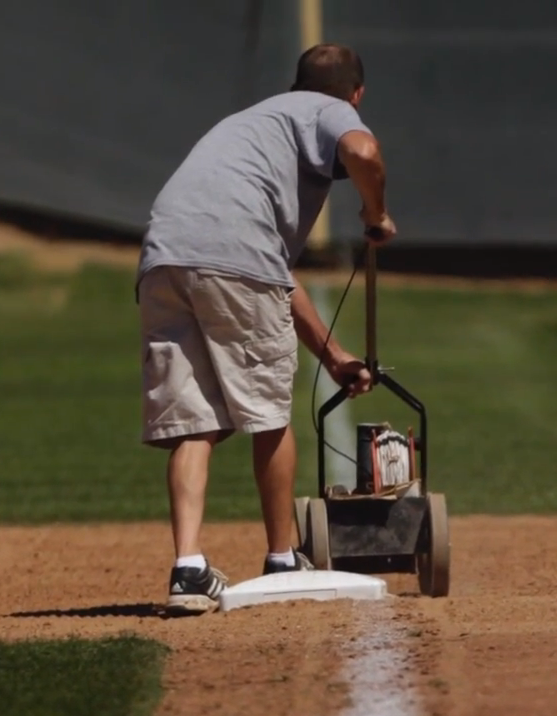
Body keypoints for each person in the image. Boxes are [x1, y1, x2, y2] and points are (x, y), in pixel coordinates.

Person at [135, 43, 396, 615]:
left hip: (162, 258)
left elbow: (267, 274)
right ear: (356, 93)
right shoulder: (331, 111)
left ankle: (188, 569)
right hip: (232, 260)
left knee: (194, 422)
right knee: (269, 412)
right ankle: (282, 557)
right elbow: (364, 149)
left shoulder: (254, 123)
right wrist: (375, 213)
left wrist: (333, 358)